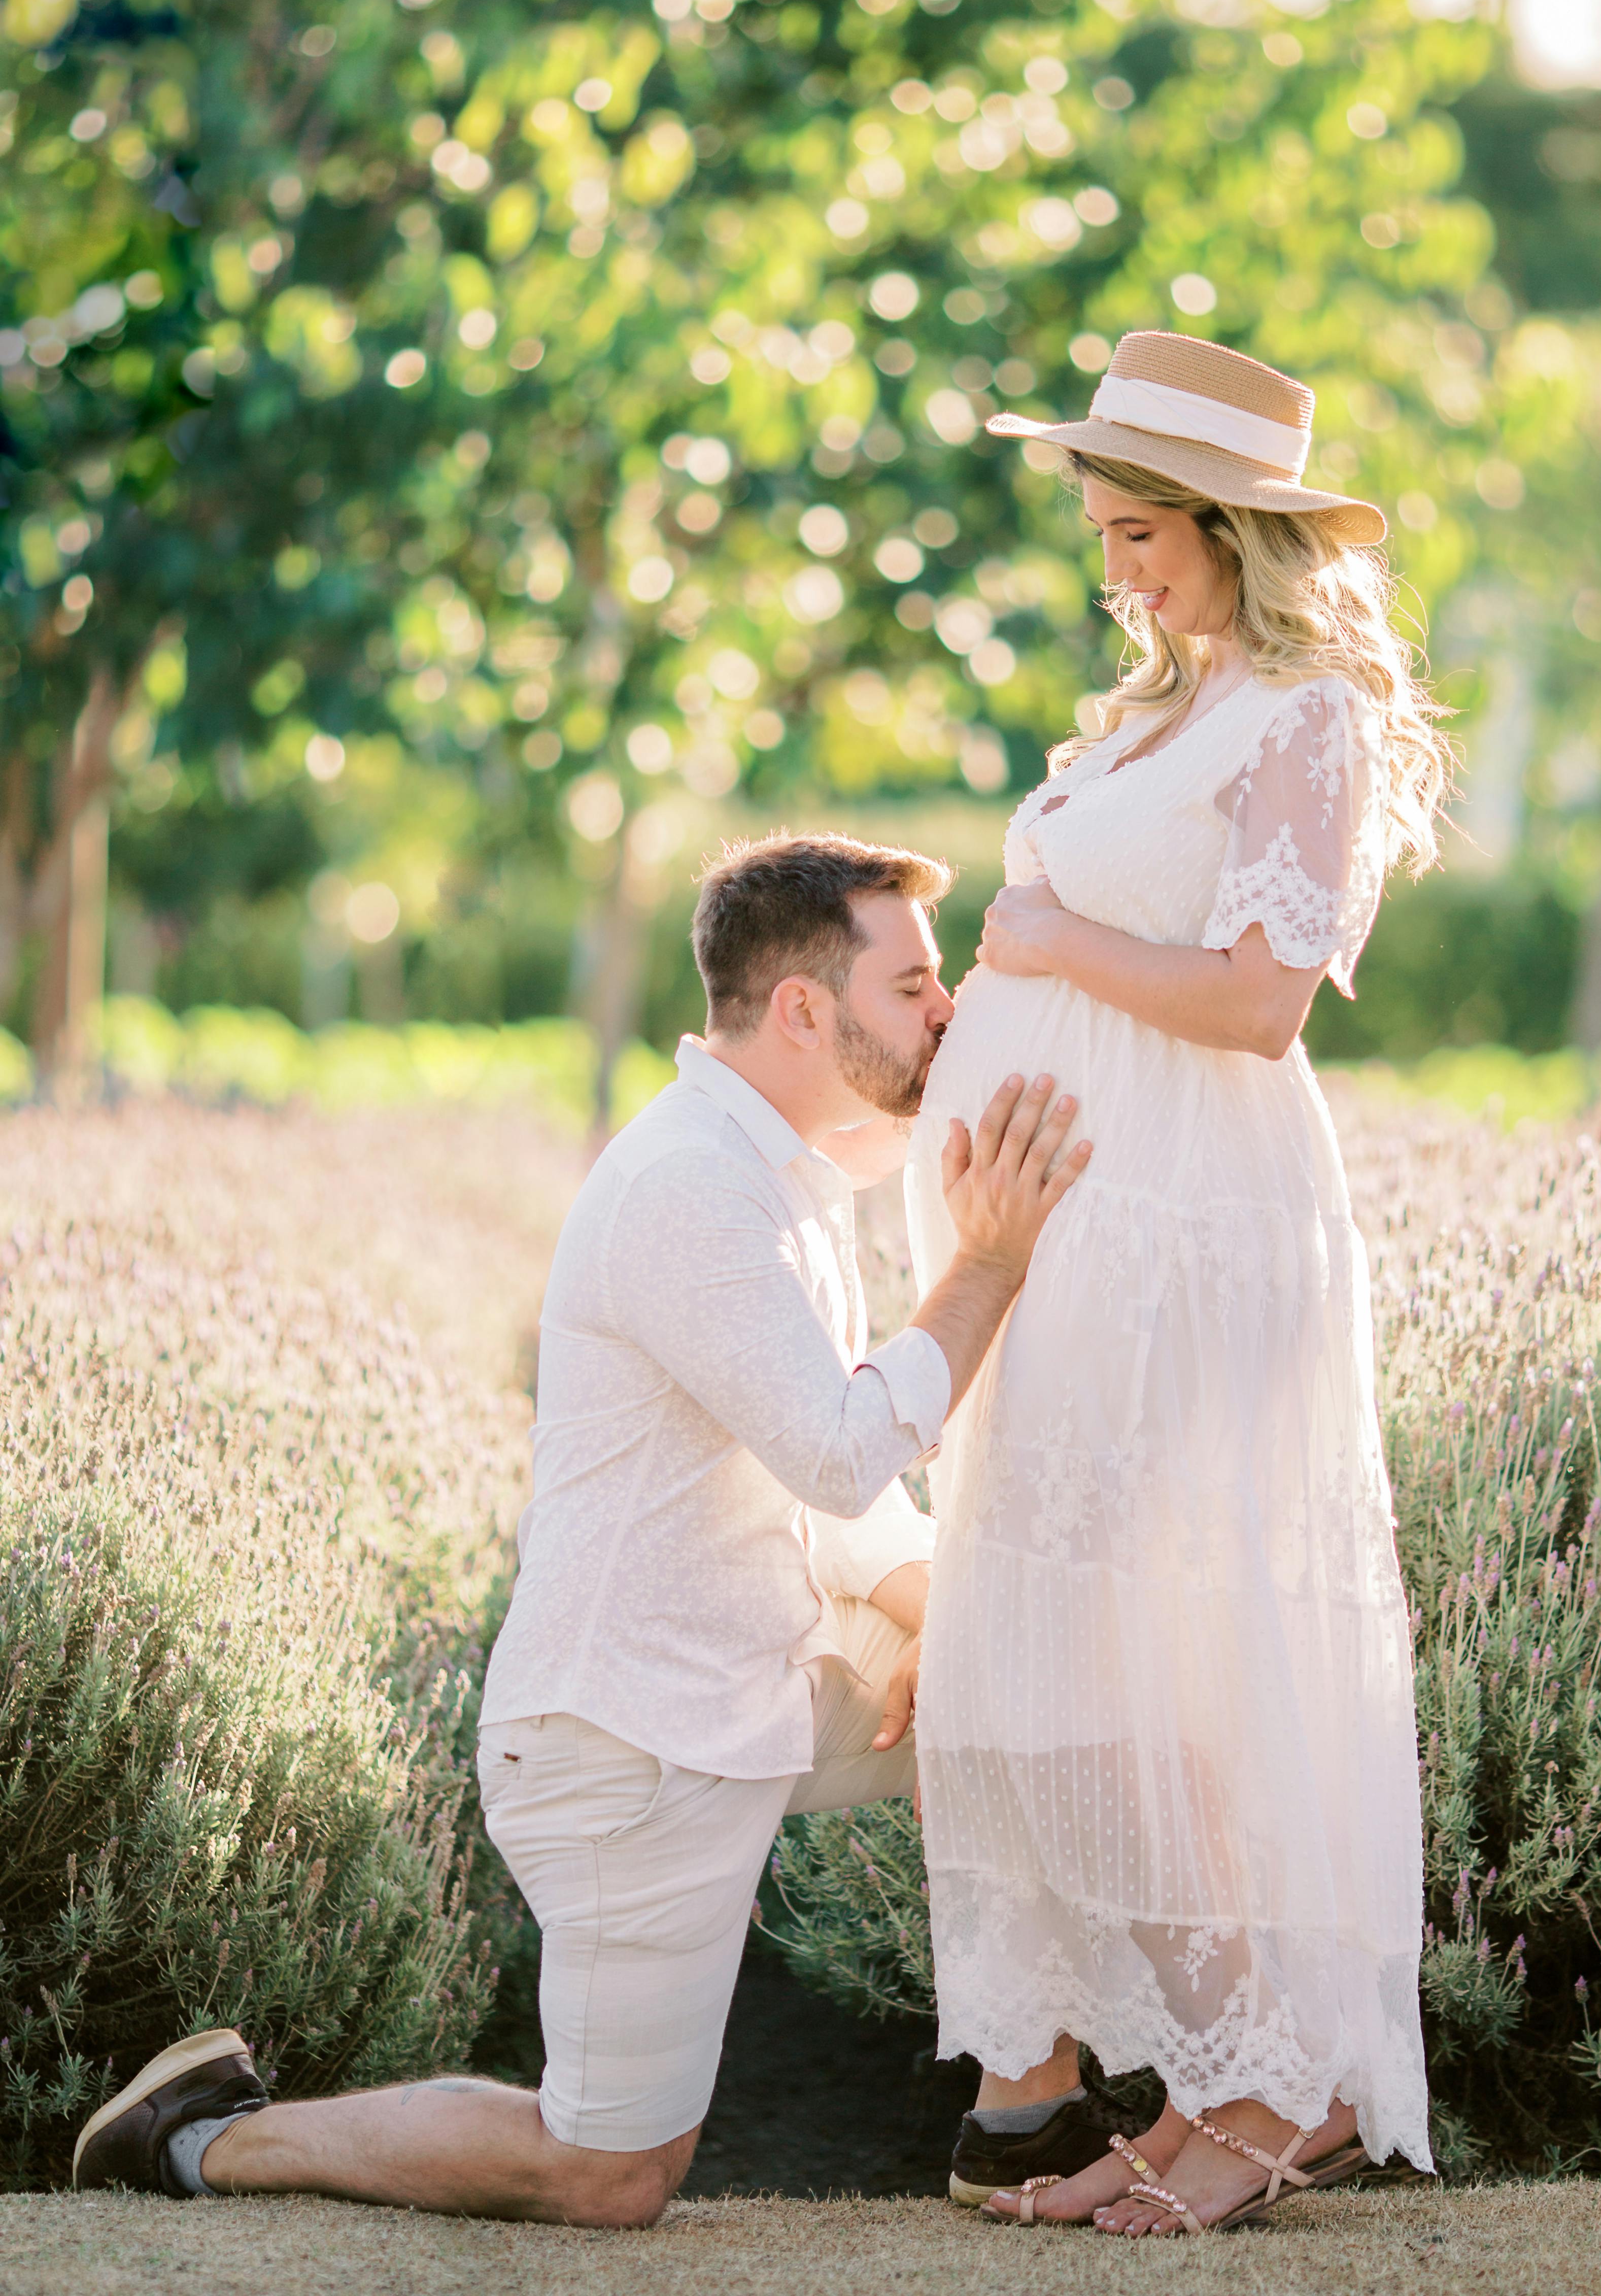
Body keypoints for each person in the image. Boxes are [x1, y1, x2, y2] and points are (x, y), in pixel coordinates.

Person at [73, 832, 1092, 2229]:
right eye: (914, 985)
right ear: (804, 1010)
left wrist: (943, 1622)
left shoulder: (780, 1179)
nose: (947, 1014)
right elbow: (846, 1453)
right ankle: (208, 2134)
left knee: (1015, 1665)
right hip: (625, 1739)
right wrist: (989, 1263)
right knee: (610, 2172)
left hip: (760, 1680)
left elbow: (826, 1510)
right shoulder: (687, 1189)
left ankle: (1024, 2116)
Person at [907, 331, 1445, 2235]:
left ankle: (1263, 2081)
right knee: (1036, 1650)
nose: (1117, 567)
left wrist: (1045, 932)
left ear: (1240, 529)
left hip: (1197, 1242)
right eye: (1101, 531)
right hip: (1066, 1242)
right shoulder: (1149, 713)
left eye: (1144, 532)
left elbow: (1256, 999)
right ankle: (1159, 2079)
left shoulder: (1306, 720)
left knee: (1147, 1658)